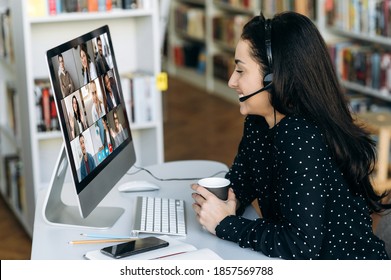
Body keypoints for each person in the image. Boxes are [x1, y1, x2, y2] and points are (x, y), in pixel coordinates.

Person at [191, 11, 391, 260]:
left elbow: (300, 245)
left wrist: (225, 224)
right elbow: (243, 178)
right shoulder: (258, 121)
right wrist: (231, 201)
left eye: (241, 71)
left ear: (274, 79)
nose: (232, 81)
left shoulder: (299, 136)